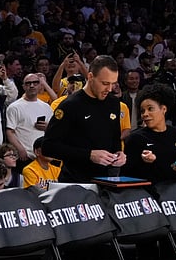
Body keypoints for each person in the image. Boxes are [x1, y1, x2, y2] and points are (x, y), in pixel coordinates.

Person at [41, 54, 126, 183]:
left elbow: (114, 139)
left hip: (105, 180)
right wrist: (89, 155)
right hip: (75, 181)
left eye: (113, 84)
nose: (109, 89)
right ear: (90, 77)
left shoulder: (114, 103)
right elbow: (48, 147)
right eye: (105, 83)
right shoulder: (70, 105)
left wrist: (119, 153)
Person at [122, 84, 176, 183]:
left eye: (150, 109)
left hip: (175, 192)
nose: (145, 114)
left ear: (164, 109)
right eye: (142, 111)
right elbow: (125, 175)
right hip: (147, 192)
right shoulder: (135, 138)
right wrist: (144, 163)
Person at [5, 73, 53, 165]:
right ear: (23, 86)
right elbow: (9, 132)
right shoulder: (14, 107)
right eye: (28, 83)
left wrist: (47, 128)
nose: (32, 86)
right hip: (24, 156)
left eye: (35, 83)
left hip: (42, 156)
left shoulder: (46, 107)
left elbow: (53, 131)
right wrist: (20, 149)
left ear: (40, 85)